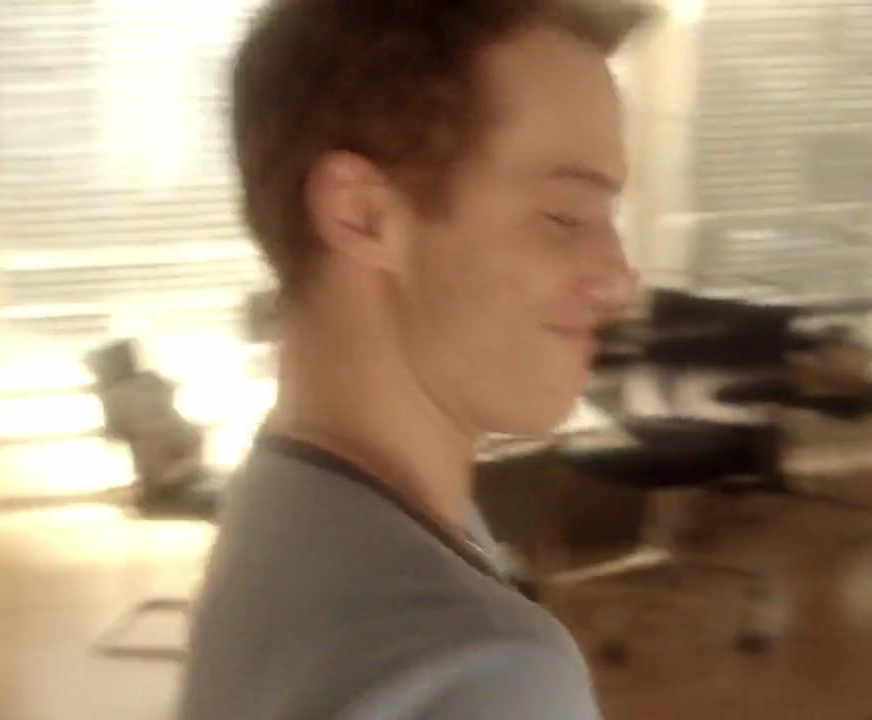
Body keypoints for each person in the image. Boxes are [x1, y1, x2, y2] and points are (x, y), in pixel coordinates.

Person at [180, 1, 648, 718]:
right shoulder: (487, 671)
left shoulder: (282, 501)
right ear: (364, 215)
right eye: (565, 217)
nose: (619, 282)